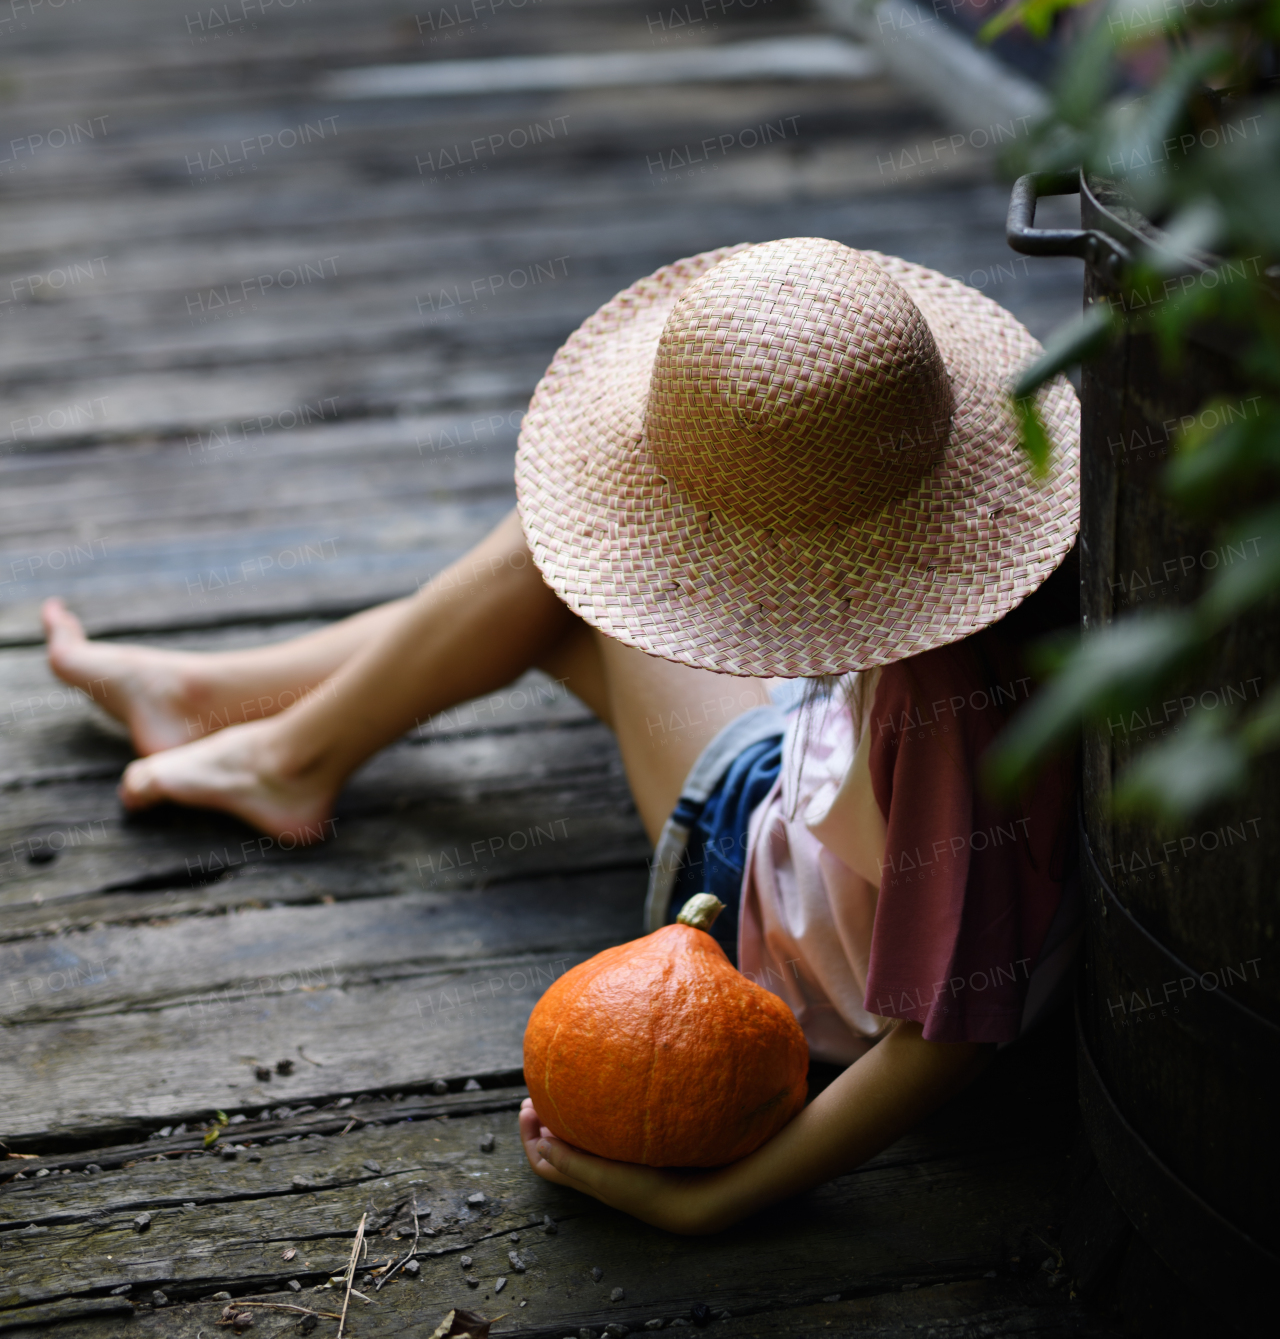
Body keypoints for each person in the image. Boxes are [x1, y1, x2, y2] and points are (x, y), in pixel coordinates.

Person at [42, 236, 1081, 1235]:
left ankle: (275, 748)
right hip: (833, 800)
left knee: (563, 562)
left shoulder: (940, 700)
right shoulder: (1004, 574)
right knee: (566, 581)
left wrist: (712, 1202)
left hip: (785, 942)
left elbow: (943, 1040)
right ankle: (226, 707)